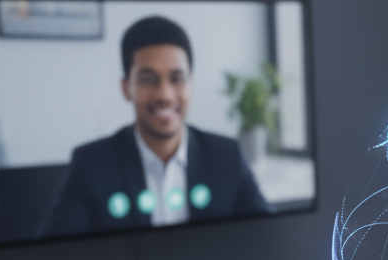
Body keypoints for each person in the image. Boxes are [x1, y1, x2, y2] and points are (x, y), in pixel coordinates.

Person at [42, 16, 270, 238]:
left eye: (177, 78)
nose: (164, 95)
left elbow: (268, 241)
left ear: (191, 86)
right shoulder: (91, 164)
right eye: (148, 79)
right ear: (126, 88)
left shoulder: (227, 156)